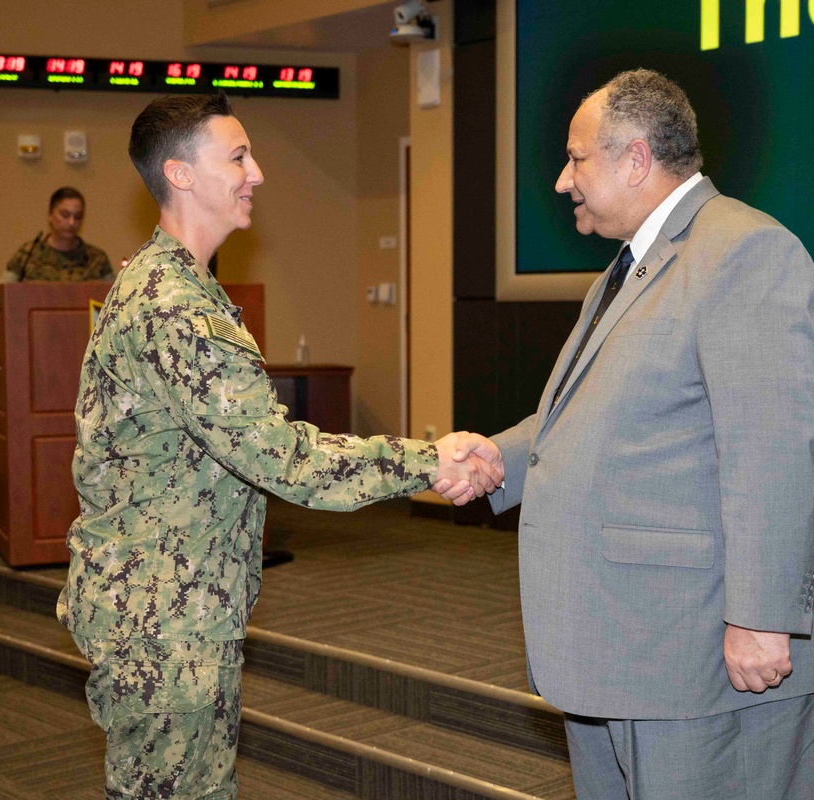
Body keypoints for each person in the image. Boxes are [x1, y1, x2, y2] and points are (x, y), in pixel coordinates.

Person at [57, 92, 502, 800]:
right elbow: (282, 459)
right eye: (237, 156)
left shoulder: (174, 284)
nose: (257, 173)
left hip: (178, 607)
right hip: (165, 621)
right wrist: (428, 460)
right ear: (179, 174)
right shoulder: (174, 305)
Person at [460, 69, 814, 799]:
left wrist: (762, 620)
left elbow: (775, 451)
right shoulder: (630, 266)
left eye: (576, 159)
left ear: (636, 159)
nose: (560, 180)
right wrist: (497, 458)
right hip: (627, 648)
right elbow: (595, 413)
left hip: (705, 660)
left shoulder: (743, 251)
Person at [0, 186, 113, 282]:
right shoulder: (27, 255)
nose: (71, 222)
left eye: (78, 217)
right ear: (50, 215)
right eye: (65, 215)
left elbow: (117, 301)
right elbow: (3, 296)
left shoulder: (97, 259)